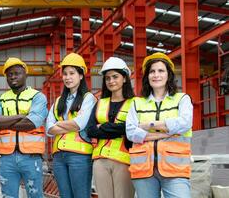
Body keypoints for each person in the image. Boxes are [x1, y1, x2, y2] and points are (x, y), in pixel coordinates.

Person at [126, 52, 193, 198]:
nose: (156, 75)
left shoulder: (182, 99)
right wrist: (167, 132)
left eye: (161, 71)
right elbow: (131, 133)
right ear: (147, 76)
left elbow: (185, 124)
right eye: (152, 71)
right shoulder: (137, 103)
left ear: (168, 74)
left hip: (175, 169)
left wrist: (147, 125)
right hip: (143, 170)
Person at [0, 57, 47, 198]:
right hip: (7, 159)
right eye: (9, 74)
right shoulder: (0, 99)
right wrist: (21, 116)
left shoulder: (37, 97)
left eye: (17, 73)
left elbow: (32, 123)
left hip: (31, 157)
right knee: (8, 196)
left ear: (25, 74)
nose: (13, 77)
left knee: (36, 195)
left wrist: (4, 121)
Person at [45, 53, 96, 198]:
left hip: (79, 156)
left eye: (72, 73)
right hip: (59, 157)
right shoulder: (59, 101)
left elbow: (79, 124)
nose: (67, 77)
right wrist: (67, 125)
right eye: (65, 74)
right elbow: (49, 129)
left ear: (81, 75)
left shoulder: (88, 98)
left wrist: (57, 124)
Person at [86, 57, 135, 198]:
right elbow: (90, 130)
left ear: (124, 78)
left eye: (115, 77)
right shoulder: (100, 103)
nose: (111, 81)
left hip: (124, 161)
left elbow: (131, 129)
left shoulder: (135, 103)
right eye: (107, 78)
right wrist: (118, 129)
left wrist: (104, 127)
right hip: (100, 161)